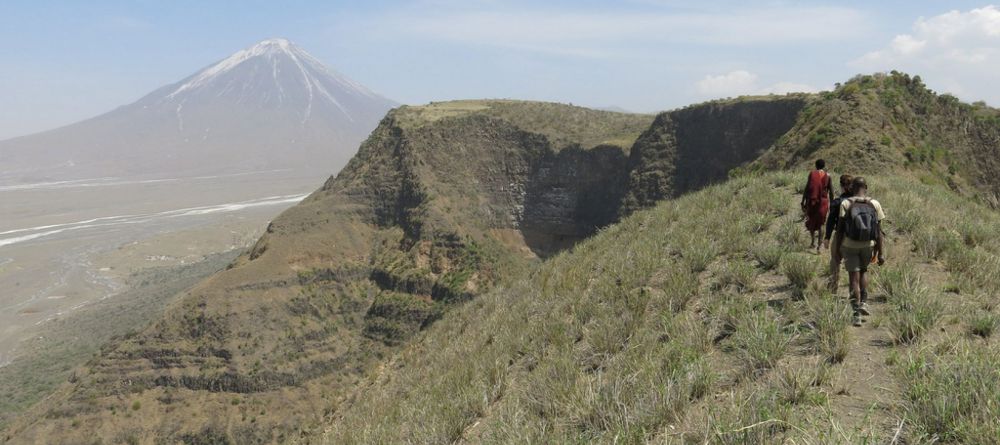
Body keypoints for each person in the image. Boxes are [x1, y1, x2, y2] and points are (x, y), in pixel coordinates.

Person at [833, 177, 886, 326]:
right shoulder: (875, 204)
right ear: (866, 187)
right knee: (863, 271)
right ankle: (863, 302)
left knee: (853, 278)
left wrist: (837, 250)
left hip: (849, 245)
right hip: (868, 245)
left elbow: (840, 230)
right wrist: (880, 253)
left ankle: (856, 314)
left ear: (851, 188)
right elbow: (879, 231)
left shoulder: (846, 203)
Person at [824, 174, 854, 292]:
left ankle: (833, 288)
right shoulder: (859, 201)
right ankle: (855, 291)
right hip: (856, 236)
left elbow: (831, 221)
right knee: (854, 265)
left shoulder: (837, 202)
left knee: (835, 260)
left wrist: (827, 237)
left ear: (841, 186)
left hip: (840, 235)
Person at [801, 159, 834, 253]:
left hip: (812, 201)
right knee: (821, 223)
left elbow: (807, 188)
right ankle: (819, 246)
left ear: (816, 166)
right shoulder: (828, 176)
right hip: (823, 202)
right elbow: (831, 192)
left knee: (811, 221)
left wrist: (803, 201)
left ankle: (812, 242)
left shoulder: (812, 174)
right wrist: (832, 204)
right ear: (824, 166)